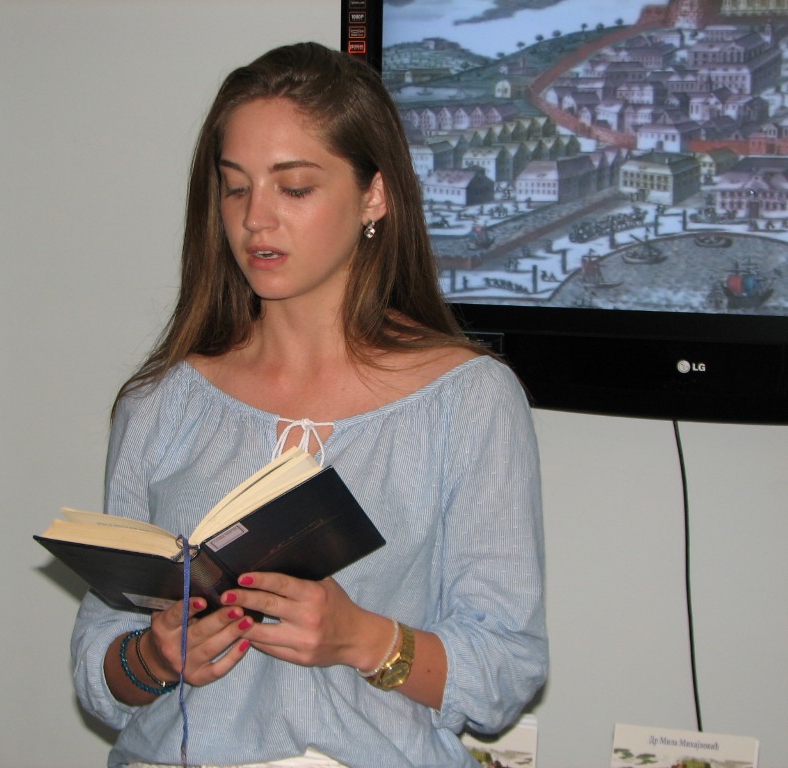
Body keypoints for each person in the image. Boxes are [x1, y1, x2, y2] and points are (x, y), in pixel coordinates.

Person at [71, 42, 547, 768]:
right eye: (235, 188)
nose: (255, 219)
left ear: (374, 196)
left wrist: (363, 639)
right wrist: (155, 658)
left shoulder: (468, 401)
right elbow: (100, 666)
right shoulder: (162, 402)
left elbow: (506, 669)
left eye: (293, 188)